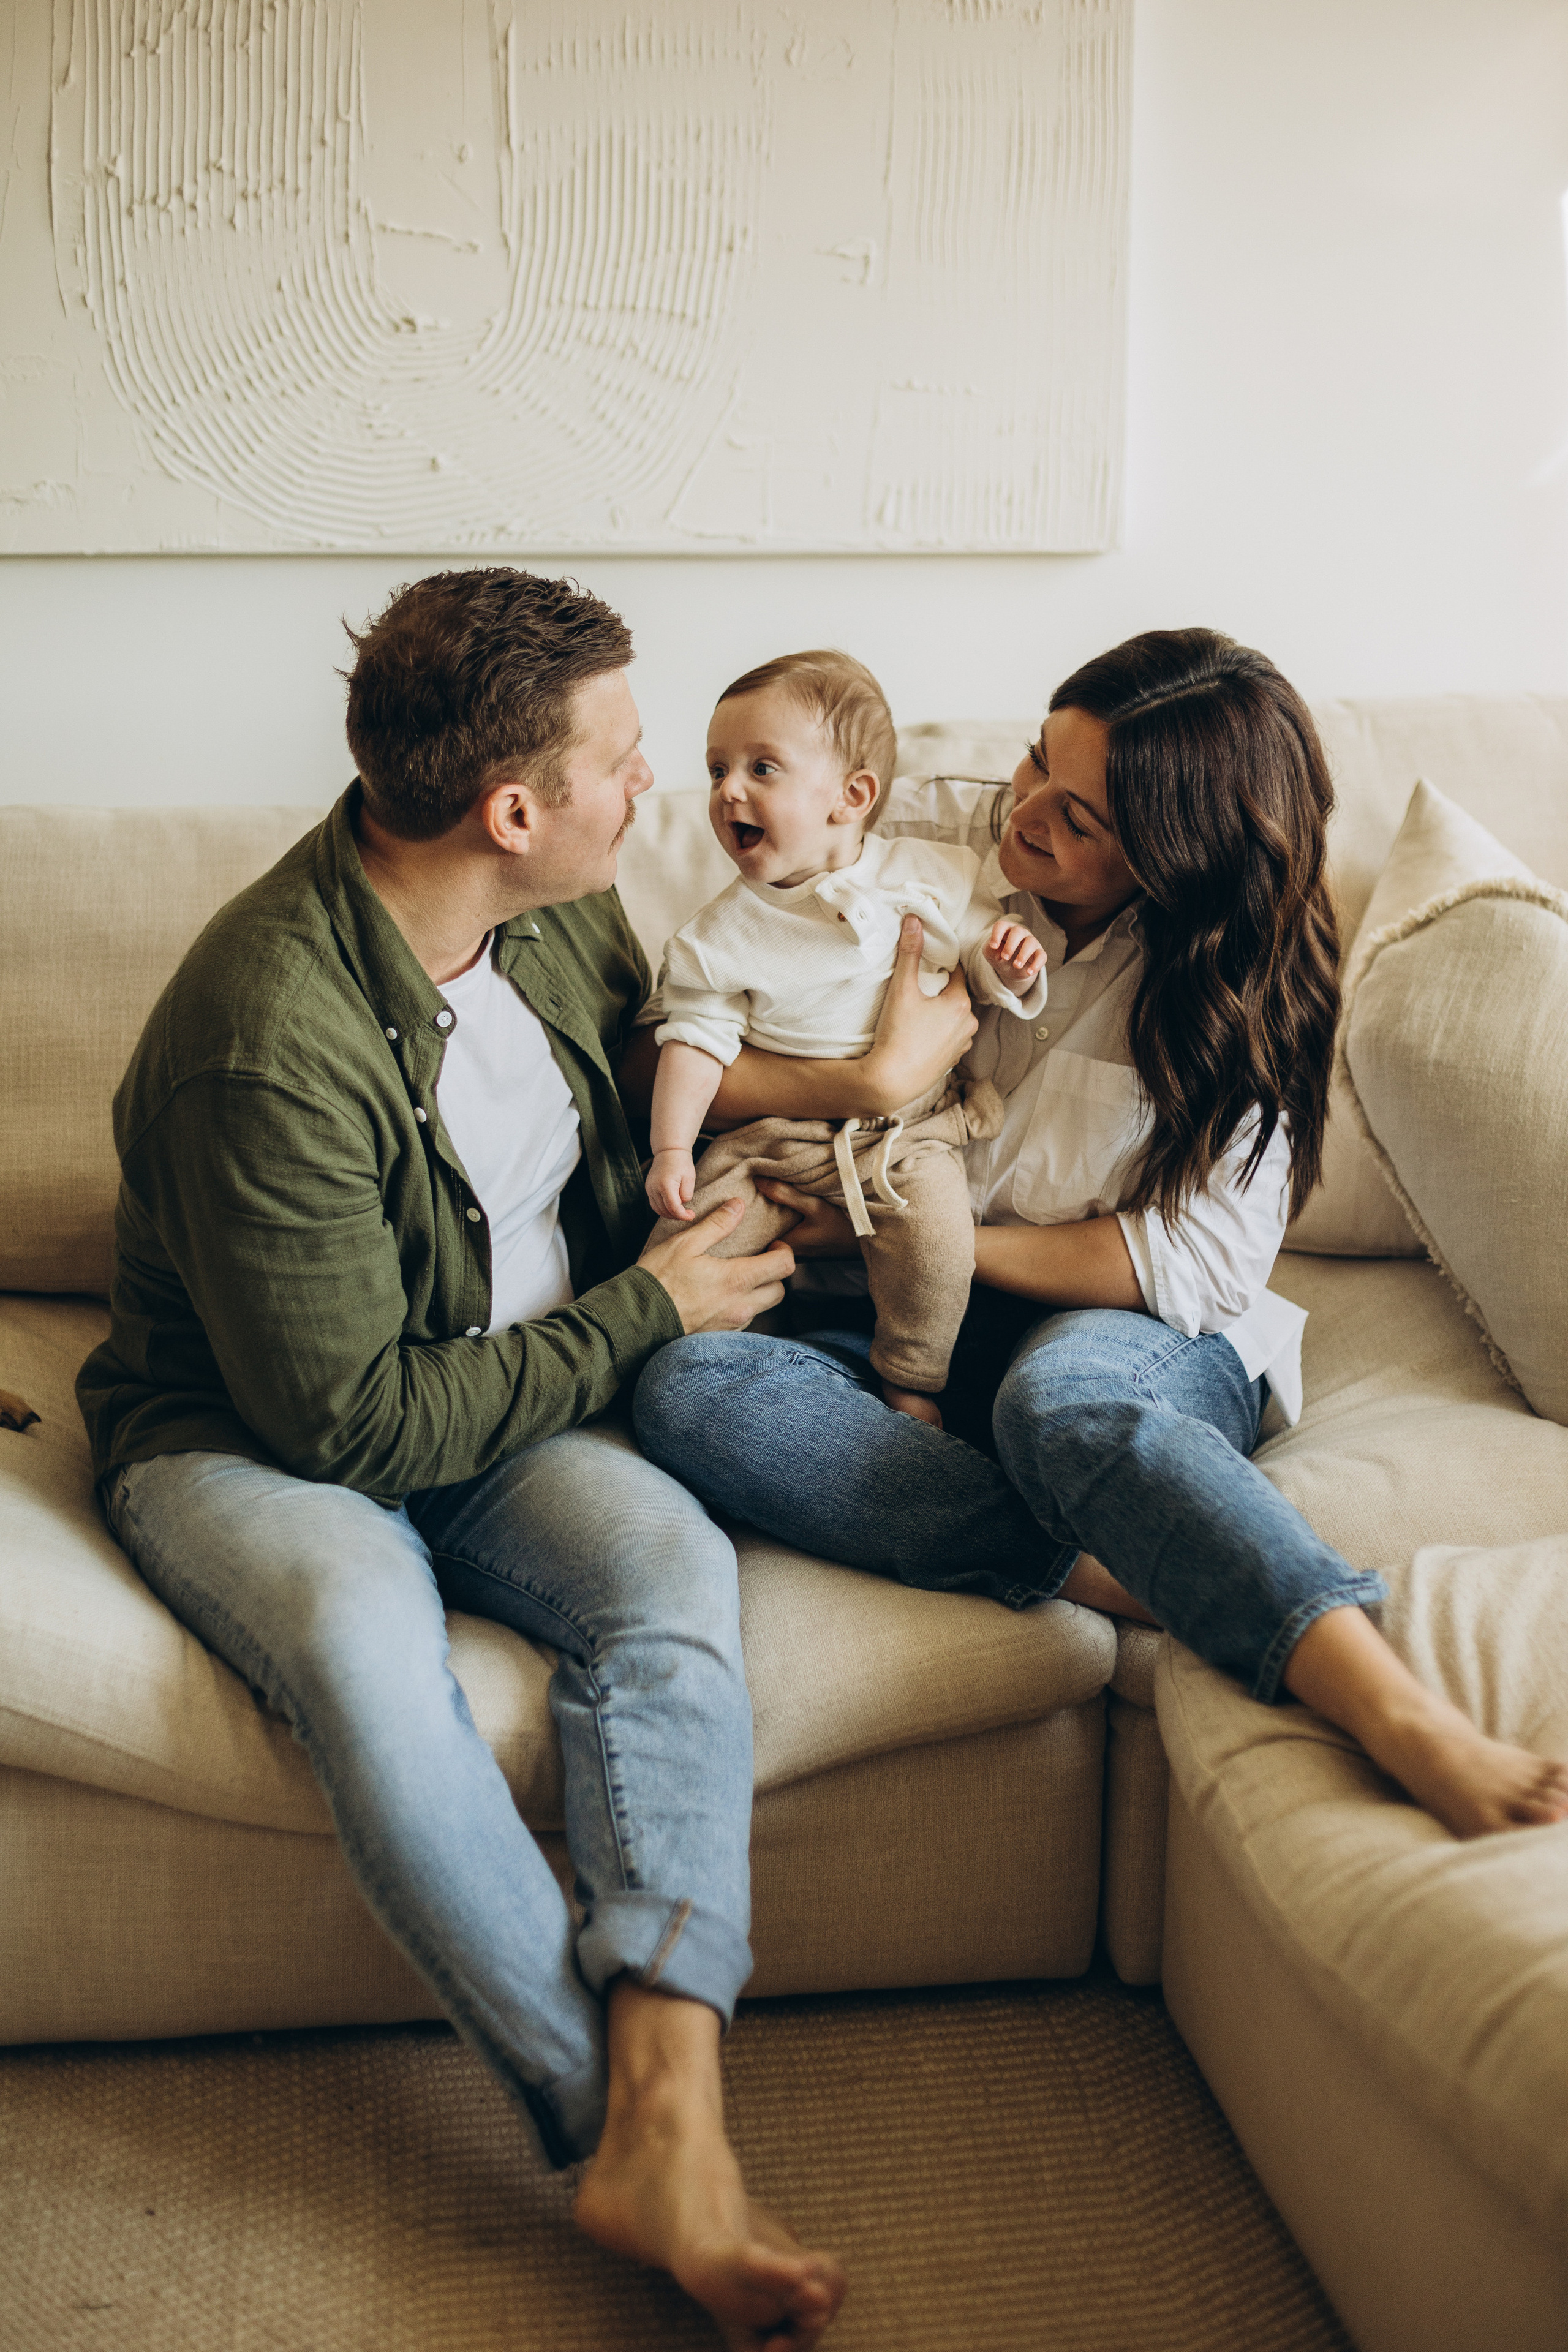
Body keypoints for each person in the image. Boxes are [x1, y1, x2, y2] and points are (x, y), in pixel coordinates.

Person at [76, 567, 847, 2351]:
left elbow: (665, 1085)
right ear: (512, 809)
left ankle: (672, 2106)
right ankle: (625, 2132)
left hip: (508, 1398)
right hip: (263, 1439)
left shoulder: (565, 919)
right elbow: (345, 1424)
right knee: (364, 1645)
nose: (653, 787)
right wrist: (647, 1313)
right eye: (626, 759)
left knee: (667, 1572)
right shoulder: (263, 1034)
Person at [635, 628, 1568, 1841]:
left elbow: (1186, 1261)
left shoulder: (1239, 988)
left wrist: (921, 1249)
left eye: (1077, 817)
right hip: (883, 1290)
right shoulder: (908, 839)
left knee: (1057, 1410)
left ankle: (1383, 1698)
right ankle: (1102, 1564)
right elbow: (666, 1041)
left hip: (1113, 1323)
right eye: (1033, 763)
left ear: (1175, 855)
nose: (1022, 817)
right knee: (687, 1387)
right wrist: (859, 1090)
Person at [645, 649, 1046, 1422]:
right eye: (717, 767)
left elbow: (977, 967)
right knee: (687, 1243)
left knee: (937, 1245)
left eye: (763, 768)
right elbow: (694, 1042)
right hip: (772, 1140)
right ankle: (709, 1356)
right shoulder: (719, 935)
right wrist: (671, 1149)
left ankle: (911, 1378)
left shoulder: (930, 876)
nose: (728, 788)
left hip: (907, 1137)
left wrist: (1012, 969)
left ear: (852, 796)